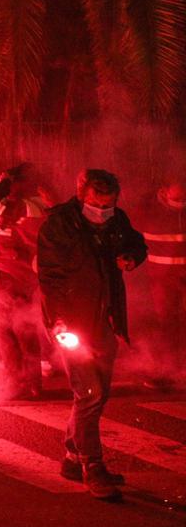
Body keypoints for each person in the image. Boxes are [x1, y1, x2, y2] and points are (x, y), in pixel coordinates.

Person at [38, 168, 148, 500]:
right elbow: (50, 276)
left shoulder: (117, 221)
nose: (102, 212)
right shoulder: (60, 224)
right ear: (82, 194)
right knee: (89, 393)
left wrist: (131, 257)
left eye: (108, 205)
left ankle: (73, 457)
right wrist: (59, 322)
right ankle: (92, 466)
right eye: (96, 204)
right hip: (71, 324)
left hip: (105, 321)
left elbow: (136, 243)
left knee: (97, 393)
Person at [0, 164, 50, 399]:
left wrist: (4, 181)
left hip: (12, 278)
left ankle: (19, 384)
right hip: (9, 277)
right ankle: (29, 384)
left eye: (13, 182)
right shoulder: (26, 205)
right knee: (17, 330)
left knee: (11, 332)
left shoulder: (25, 206)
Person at [132, 174, 185, 389]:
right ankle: (168, 372)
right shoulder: (148, 209)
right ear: (165, 188)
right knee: (167, 326)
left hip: (175, 279)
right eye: (179, 184)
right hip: (162, 281)